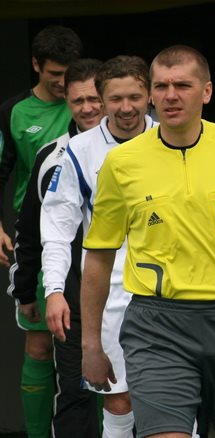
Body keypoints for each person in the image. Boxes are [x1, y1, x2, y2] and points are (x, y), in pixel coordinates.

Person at [81, 45, 215, 438]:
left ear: (206, 91)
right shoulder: (121, 163)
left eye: (183, 86)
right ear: (151, 95)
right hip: (156, 325)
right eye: (161, 86)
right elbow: (99, 256)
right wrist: (90, 345)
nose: (171, 95)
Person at [41, 55, 157, 438]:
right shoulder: (78, 150)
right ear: (103, 100)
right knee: (119, 401)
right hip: (111, 294)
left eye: (134, 97)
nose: (126, 108)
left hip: (173, 294)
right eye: (116, 99)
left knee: (172, 398)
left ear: (149, 95)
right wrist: (54, 289)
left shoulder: (172, 137)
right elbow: (57, 227)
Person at [9, 58, 103, 437]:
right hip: (75, 297)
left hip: (141, 296)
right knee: (76, 393)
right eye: (78, 101)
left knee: (134, 397)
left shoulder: (144, 147)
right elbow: (30, 230)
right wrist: (26, 289)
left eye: (95, 99)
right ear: (67, 102)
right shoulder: (52, 155)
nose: (88, 108)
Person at [0, 24, 82, 438]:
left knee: (96, 343)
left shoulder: (91, 101)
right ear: (36, 65)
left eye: (69, 73)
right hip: (37, 235)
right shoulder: (14, 111)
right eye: (55, 74)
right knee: (38, 343)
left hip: (91, 237)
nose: (64, 83)